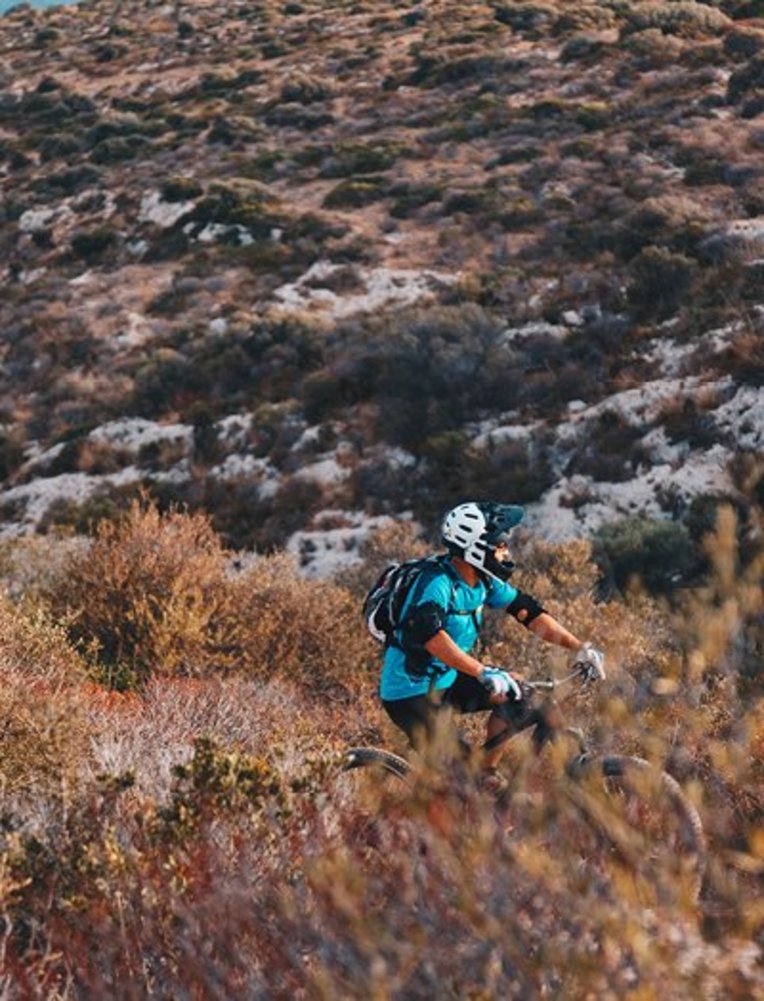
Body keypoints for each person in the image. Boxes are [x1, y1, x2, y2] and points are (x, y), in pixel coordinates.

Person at [379, 501, 605, 779]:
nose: (505, 552)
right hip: (409, 694)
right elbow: (431, 638)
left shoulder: (483, 581)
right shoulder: (436, 583)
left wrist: (580, 647)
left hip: (447, 680)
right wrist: (482, 672)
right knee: (459, 779)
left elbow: (529, 613)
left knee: (522, 698)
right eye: (499, 546)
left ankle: (486, 775)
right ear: (474, 547)